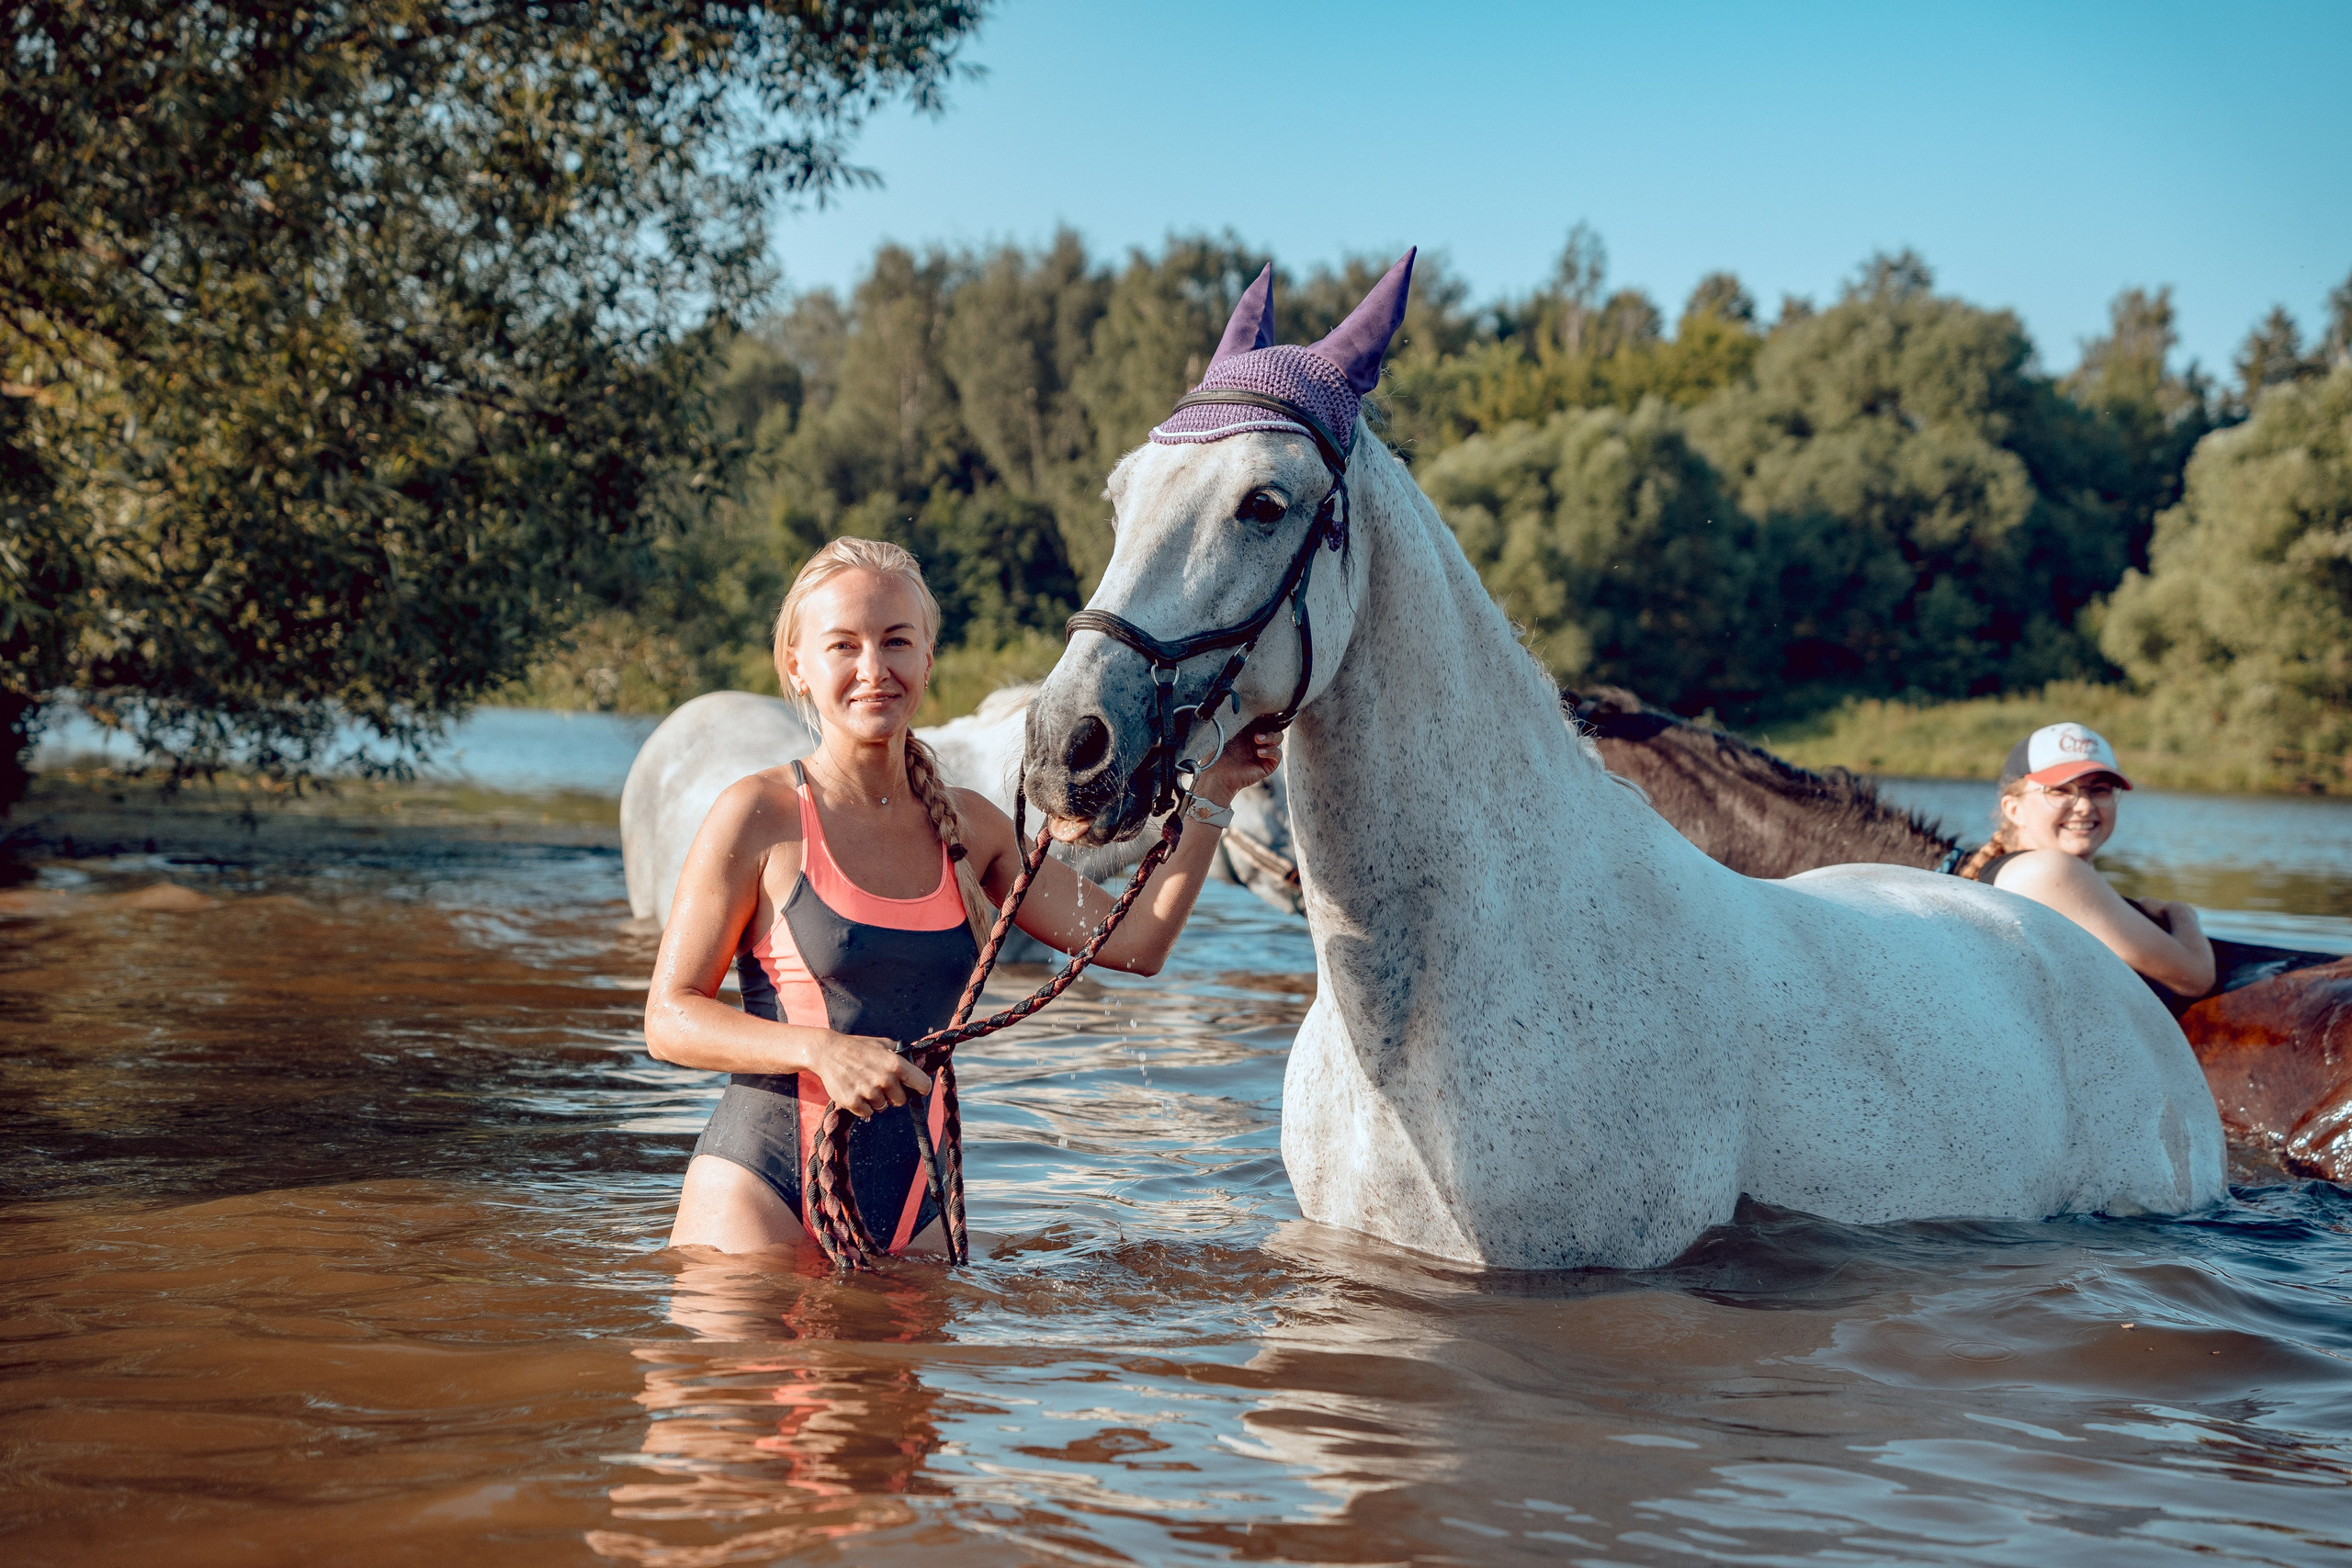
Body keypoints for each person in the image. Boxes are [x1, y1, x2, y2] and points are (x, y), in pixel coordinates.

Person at [644, 537, 1282, 1257]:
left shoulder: (975, 827)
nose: (873, 669)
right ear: (796, 663)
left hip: (920, 1199)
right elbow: (669, 1018)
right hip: (762, 1195)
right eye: (843, 646)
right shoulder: (757, 814)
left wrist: (1214, 793)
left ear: (928, 658)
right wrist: (820, 1051)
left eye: (896, 642)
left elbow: (1134, 943)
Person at [1957, 722, 2214, 999]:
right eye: (2060, 791)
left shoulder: (2020, 870)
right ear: (2014, 809)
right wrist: (2181, 913)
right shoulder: (2050, 871)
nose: (2085, 806)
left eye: (2100, 789)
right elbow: (2196, 976)